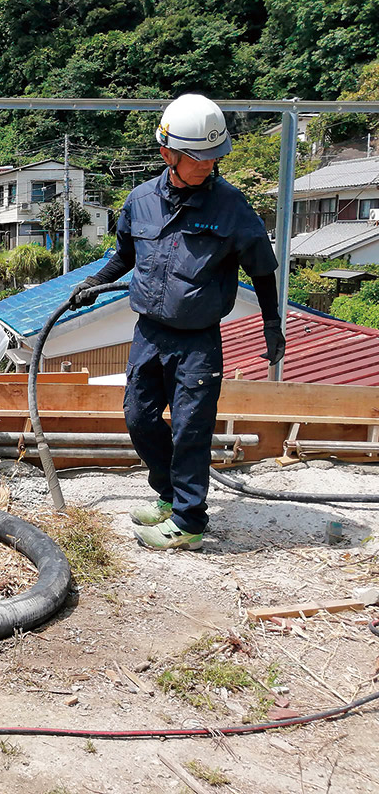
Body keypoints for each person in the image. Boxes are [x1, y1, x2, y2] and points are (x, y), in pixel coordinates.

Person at [70, 93, 285, 552]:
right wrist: (92, 282)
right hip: (149, 331)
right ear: (167, 153)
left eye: (214, 156)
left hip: (198, 340)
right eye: (197, 157)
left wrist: (272, 324)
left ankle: (189, 521)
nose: (208, 165)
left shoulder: (232, 207)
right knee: (138, 417)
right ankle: (169, 496)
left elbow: (262, 269)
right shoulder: (140, 200)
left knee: (191, 428)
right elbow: (124, 256)